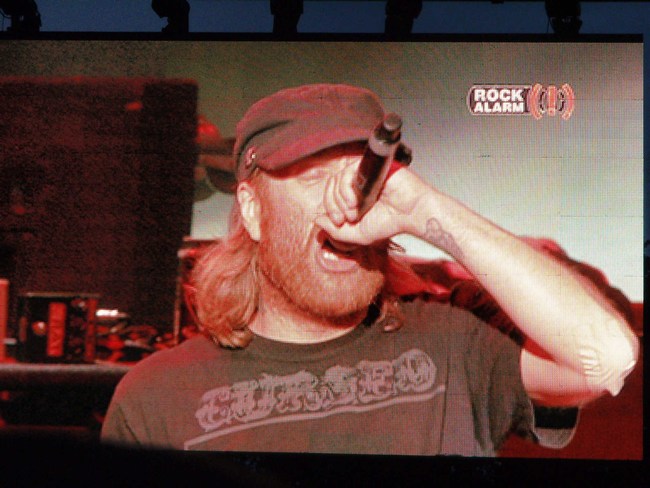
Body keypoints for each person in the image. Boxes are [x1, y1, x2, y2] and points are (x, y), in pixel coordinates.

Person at [101, 83, 639, 455]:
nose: (348, 205)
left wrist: (424, 209)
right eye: (315, 177)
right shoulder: (156, 397)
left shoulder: (456, 347)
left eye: (364, 179)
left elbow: (608, 362)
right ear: (253, 209)